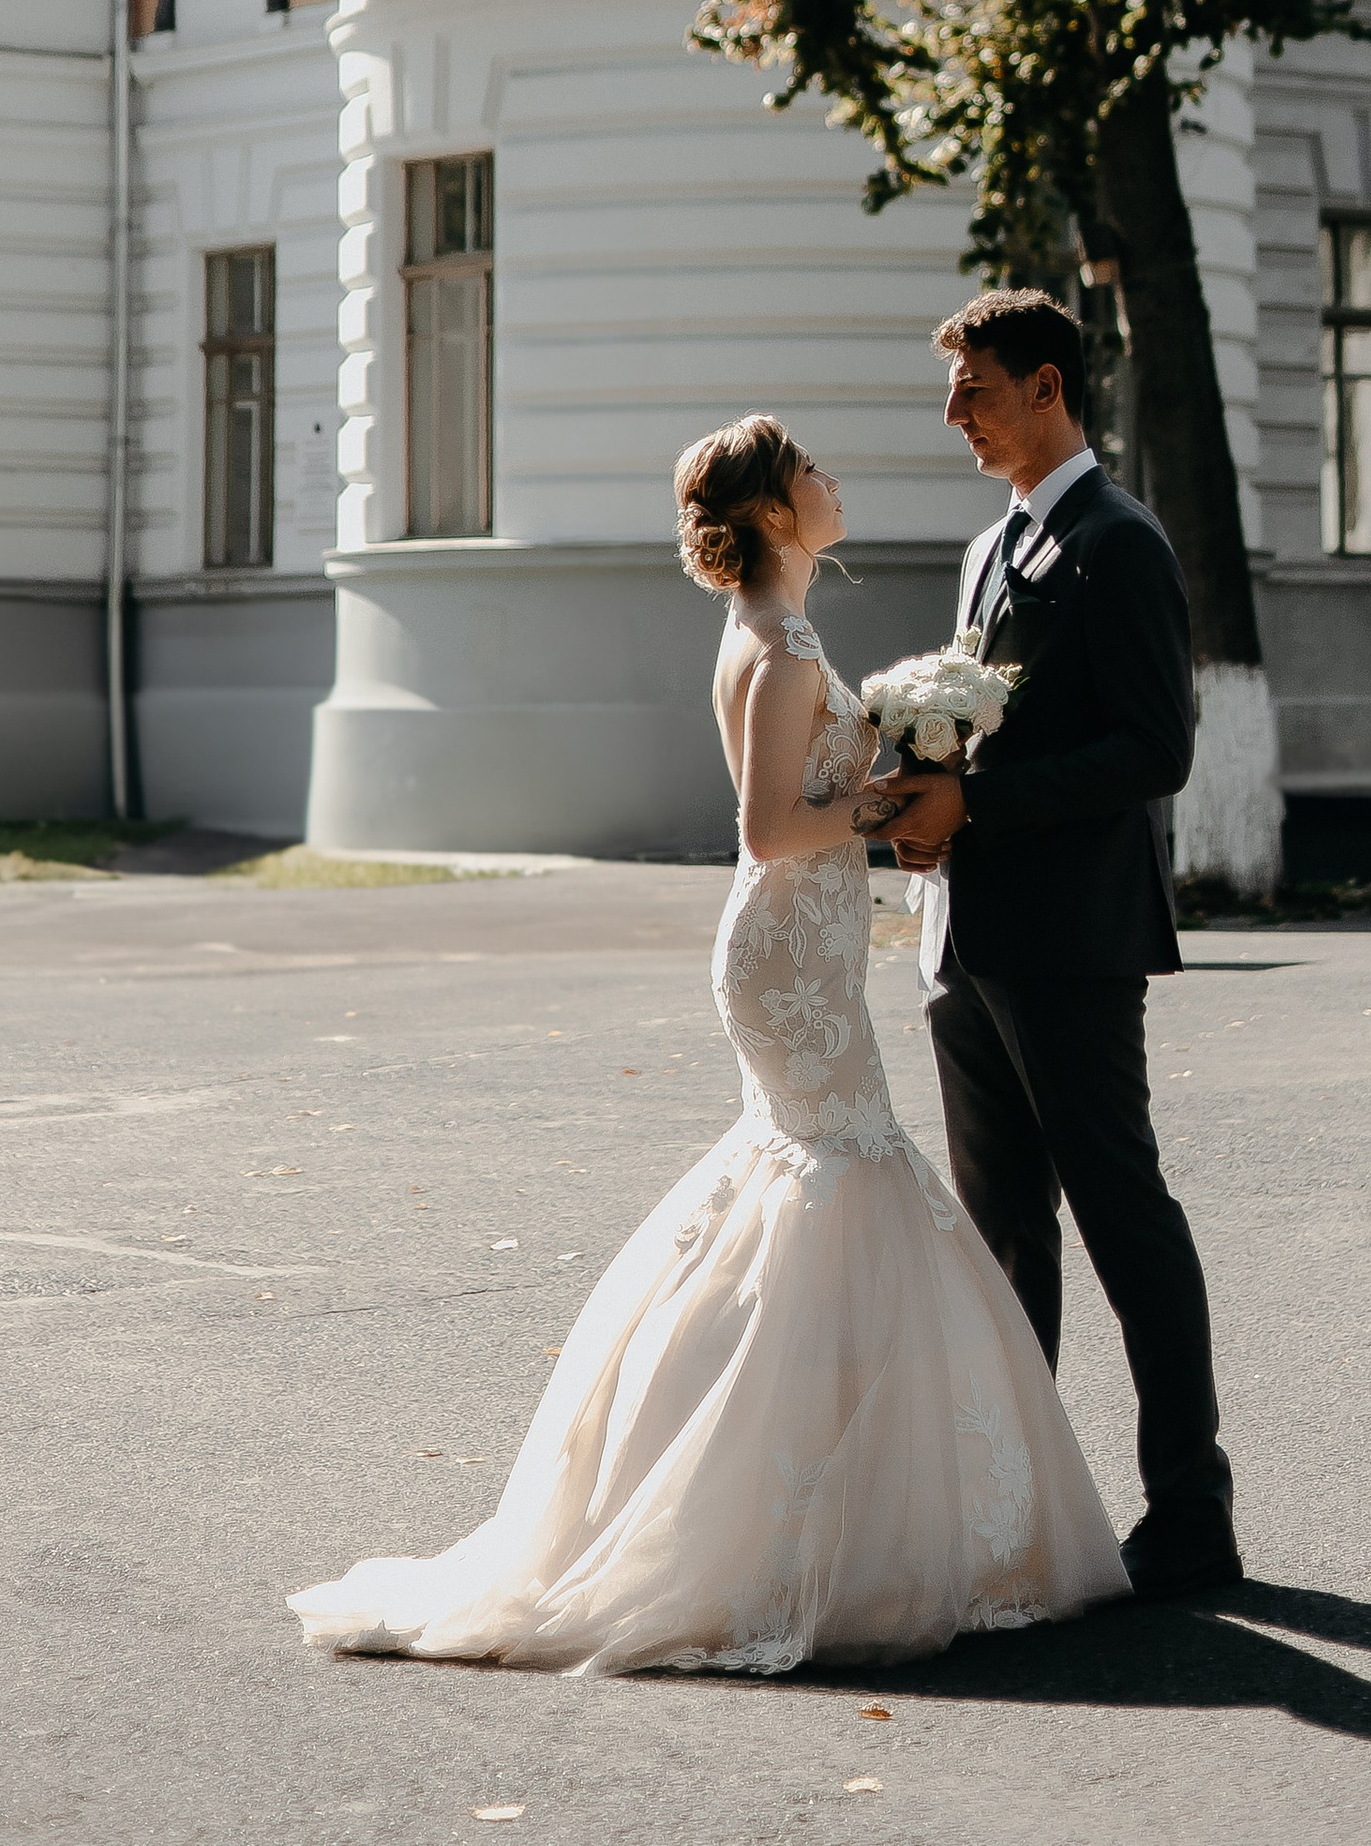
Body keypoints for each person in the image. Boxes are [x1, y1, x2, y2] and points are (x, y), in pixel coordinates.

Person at [288, 414, 1125, 1673]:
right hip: (788, 960)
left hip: (797, 952)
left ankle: (797, 1496)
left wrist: (891, 783)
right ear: (778, 515)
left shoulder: (780, 633)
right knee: (844, 1180)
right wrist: (890, 805)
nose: (833, 481)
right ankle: (779, 1523)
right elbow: (770, 828)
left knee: (812, 1186)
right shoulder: (780, 650)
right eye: (812, 473)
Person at [878, 288, 1241, 1600]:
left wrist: (974, 804)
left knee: (1123, 1216)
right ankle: (1016, 1511)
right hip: (968, 941)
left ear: (1046, 388)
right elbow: (982, 732)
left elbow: (1156, 751)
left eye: (974, 390)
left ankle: (1191, 1514)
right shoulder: (992, 547)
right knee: (1006, 1242)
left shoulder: (1119, 541)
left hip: (1074, 942)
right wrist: (923, 800)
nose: (955, 415)